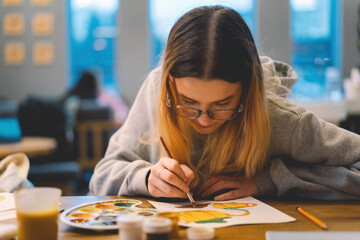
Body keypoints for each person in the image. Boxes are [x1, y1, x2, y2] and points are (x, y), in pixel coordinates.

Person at [89, 6, 360, 200]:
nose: (204, 119)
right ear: (171, 84)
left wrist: (269, 180)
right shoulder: (156, 91)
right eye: (188, 102)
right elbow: (101, 176)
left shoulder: (278, 119)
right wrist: (145, 179)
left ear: (248, 91)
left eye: (223, 104)